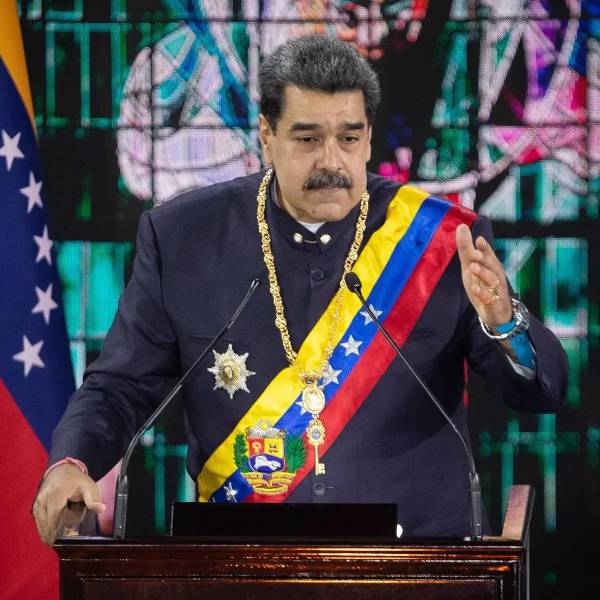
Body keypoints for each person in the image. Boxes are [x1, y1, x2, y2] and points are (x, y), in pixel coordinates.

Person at [33, 35, 567, 545]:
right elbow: (120, 386)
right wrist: (72, 463)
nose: (331, 161)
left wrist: (505, 323)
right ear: (267, 136)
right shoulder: (182, 237)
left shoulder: (442, 239)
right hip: (242, 566)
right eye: (308, 139)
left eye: (349, 138)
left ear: (369, 138)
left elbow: (540, 392)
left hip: (416, 563)